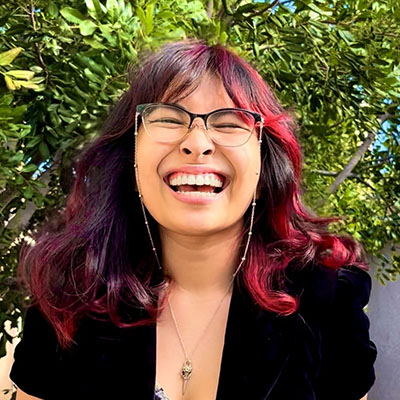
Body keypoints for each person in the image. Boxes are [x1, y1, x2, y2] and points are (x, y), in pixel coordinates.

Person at [10, 40, 377, 400]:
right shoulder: (70, 295)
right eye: (168, 119)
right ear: (131, 163)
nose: (197, 143)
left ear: (264, 171)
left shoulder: (328, 301)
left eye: (230, 123)